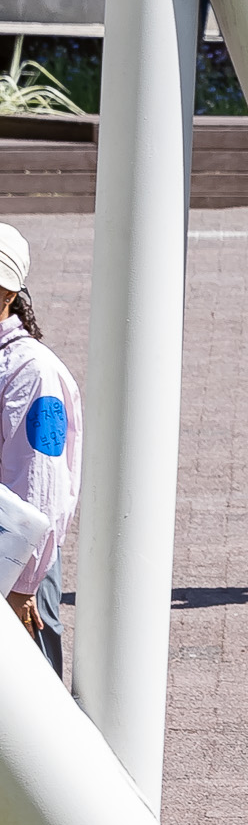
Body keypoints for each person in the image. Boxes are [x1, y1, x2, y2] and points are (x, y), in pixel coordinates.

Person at [0, 226, 80, 678]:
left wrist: (22, 583)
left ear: (8, 292)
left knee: (32, 699)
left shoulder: (32, 371)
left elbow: (40, 489)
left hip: (15, 564)